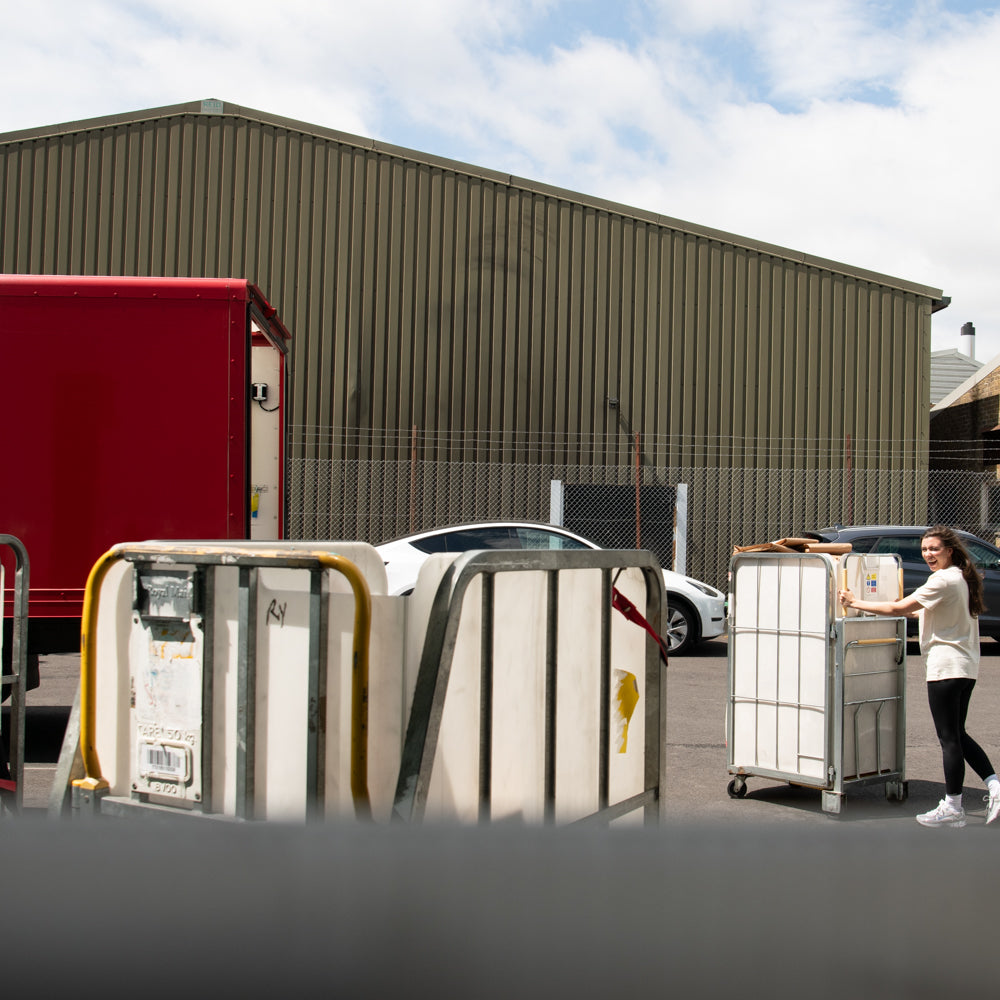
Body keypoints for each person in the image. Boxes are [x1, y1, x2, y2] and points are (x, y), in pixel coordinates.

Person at [838, 525, 1000, 829]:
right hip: (964, 668)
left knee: (949, 738)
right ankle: (993, 785)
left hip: (946, 668)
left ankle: (953, 805)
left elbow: (899, 607)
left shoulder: (943, 580)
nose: (928, 554)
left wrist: (853, 602)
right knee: (958, 735)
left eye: (935, 549)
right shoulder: (958, 578)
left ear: (949, 551)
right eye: (925, 549)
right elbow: (917, 611)